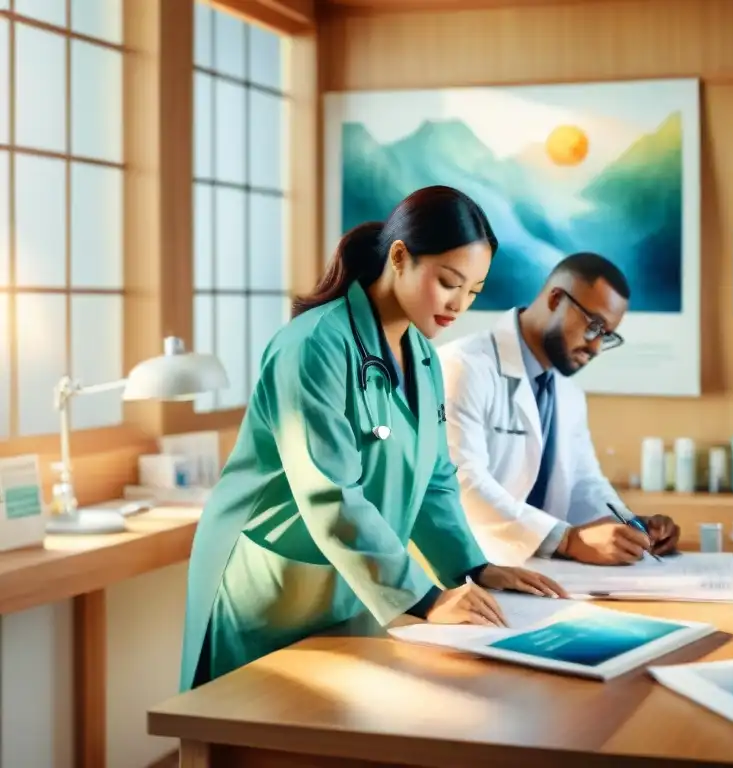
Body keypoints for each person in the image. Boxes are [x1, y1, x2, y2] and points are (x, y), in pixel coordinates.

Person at [179, 186, 566, 691]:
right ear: (399, 257)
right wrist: (425, 599)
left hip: (346, 581)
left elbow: (435, 480)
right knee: (244, 729)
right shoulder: (313, 345)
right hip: (268, 582)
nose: (458, 305)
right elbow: (330, 493)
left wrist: (472, 567)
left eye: (473, 292)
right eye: (449, 282)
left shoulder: (423, 357)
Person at [438, 252, 681, 567]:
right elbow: (464, 483)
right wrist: (567, 540)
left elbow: (584, 482)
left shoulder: (567, 392)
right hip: (468, 572)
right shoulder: (463, 367)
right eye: (594, 326)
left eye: (606, 336)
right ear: (555, 299)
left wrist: (631, 526)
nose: (595, 347)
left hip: (539, 574)